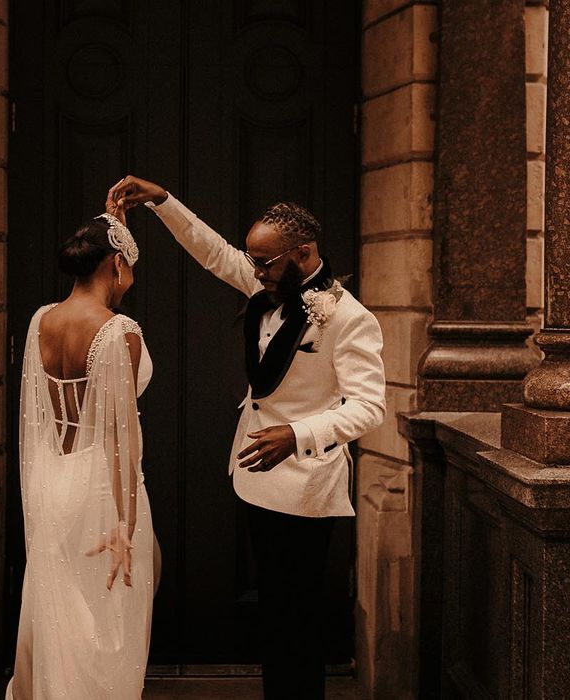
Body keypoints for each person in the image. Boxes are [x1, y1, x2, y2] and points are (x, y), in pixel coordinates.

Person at [110, 175, 386, 700]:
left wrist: (298, 433)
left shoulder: (349, 318)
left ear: (302, 254)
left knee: (298, 618)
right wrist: (163, 201)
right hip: (255, 474)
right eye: (253, 261)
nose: (253, 271)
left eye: (264, 262)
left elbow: (370, 407)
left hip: (306, 485)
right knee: (275, 612)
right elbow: (213, 251)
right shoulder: (268, 285)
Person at [6, 204, 156, 699]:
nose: (131, 278)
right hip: (101, 489)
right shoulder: (120, 331)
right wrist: (126, 524)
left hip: (54, 480)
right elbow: (121, 436)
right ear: (115, 264)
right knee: (108, 619)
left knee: (60, 612)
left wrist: (113, 222)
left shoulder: (40, 322)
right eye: (129, 265)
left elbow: (36, 415)